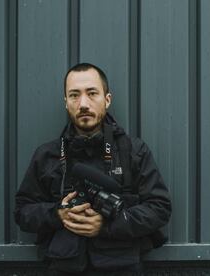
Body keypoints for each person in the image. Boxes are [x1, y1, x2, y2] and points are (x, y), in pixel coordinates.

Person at [14, 63, 172, 275]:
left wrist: (106, 226)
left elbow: (159, 208)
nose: (83, 104)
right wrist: (58, 214)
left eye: (92, 93)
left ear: (107, 100)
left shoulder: (133, 151)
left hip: (122, 268)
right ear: (66, 102)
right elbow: (23, 211)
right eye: (74, 95)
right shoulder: (48, 154)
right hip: (63, 268)